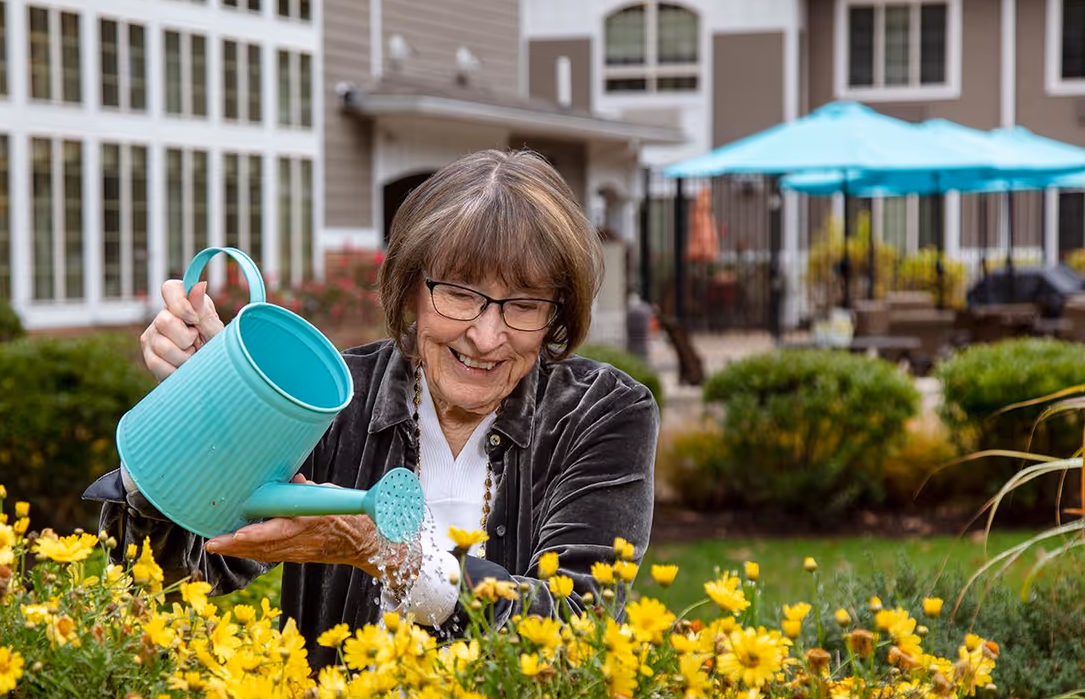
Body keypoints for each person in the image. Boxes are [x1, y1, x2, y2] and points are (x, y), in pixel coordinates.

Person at [85, 149, 659, 669]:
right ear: (412, 289)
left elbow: (580, 631)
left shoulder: (600, 413)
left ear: (556, 313)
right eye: (459, 293)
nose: (486, 336)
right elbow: (161, 578)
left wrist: (388, 553)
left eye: (524, 305)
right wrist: (200, 411)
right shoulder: (333, 399)